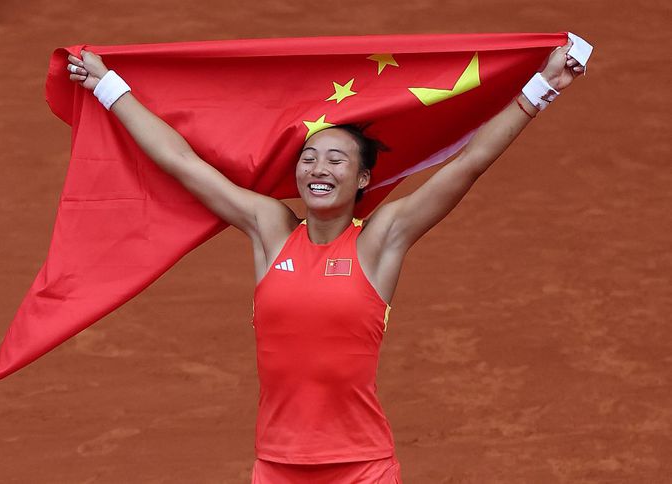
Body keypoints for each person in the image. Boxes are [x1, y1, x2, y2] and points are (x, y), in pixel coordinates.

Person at [66, 38, 585, 483]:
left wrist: (544, 86)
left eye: (336, 160)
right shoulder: (269, 230)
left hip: (362, 468)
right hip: (275, 467)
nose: (318, 167)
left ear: (362, 180)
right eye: (309, 158)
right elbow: (182, 163)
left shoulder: (381, 241)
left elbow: (469, 163)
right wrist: (109, 86)